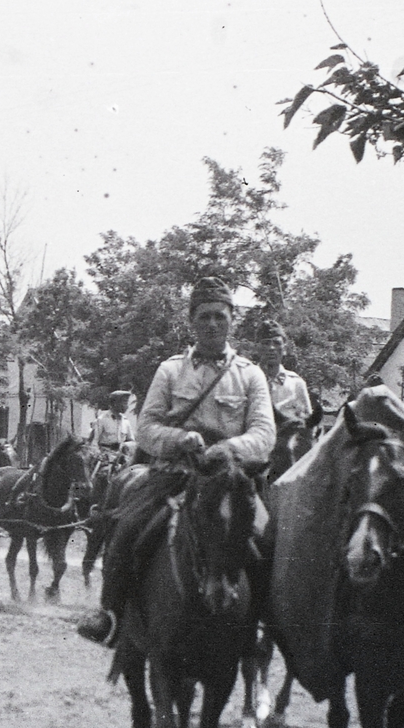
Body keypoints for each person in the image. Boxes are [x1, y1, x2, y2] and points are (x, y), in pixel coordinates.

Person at [77, 274, 276, 645]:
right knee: (127, 528)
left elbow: (265, 435)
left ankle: (262, 625)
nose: (213, 323)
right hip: (177, 474)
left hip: (231, 479)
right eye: (204, 317)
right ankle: (110, 615)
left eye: (220, 315)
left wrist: (230, 449)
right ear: (191, 322)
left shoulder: (251, 376)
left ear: (233, 319)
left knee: (268, 539)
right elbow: (147, 428)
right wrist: (180, 439)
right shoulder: (170, 370)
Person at [256, 320, 314, 431]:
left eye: (277, 343)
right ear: (257, 347)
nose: (271, 348)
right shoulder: (247, 379)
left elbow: (307, 426)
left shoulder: (296, 384)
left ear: (285, 349)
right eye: (266, 343)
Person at [90, 392, 136, 463]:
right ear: (114, 403)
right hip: (105, 457)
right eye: (124, 402)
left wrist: (126, 446)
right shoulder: (102, 419)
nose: (127, 406)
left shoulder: (126, 421)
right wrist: (99, 456)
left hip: (122, 457)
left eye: (127, 403)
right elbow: (94, 442)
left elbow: (131, 440)